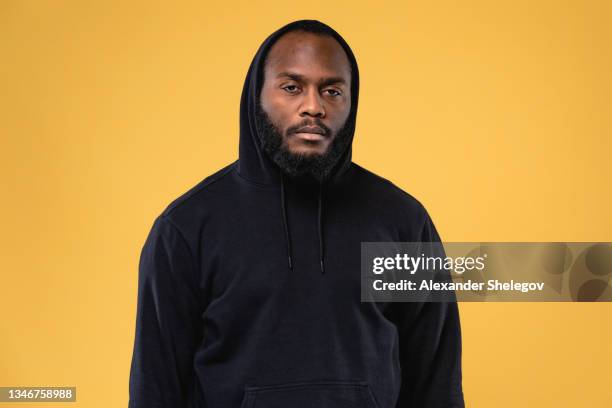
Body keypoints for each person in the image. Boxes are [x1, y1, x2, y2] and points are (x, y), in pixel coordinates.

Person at [128, 19, 464, 408]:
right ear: (257, 95)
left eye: (332, 90)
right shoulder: (186, 228)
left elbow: (436, 381)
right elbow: (156, 387)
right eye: (291, 87)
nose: (313, 107)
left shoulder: (403, 221)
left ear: (352, 103)